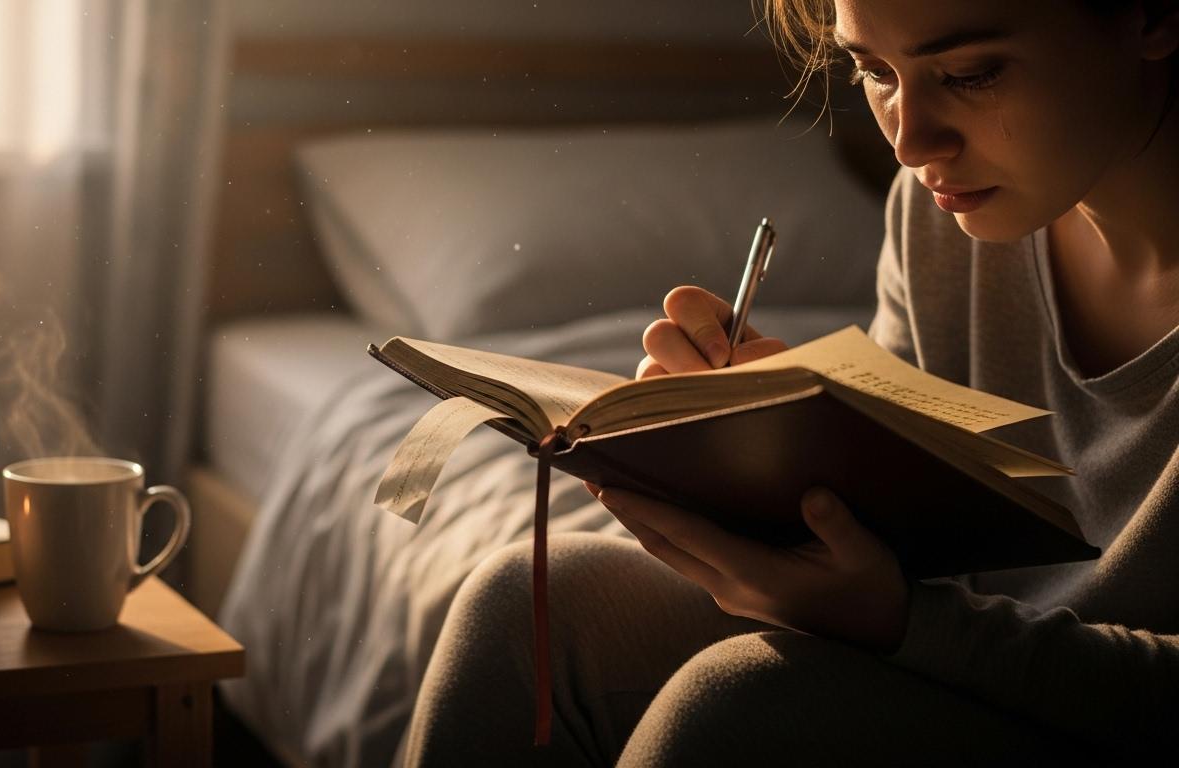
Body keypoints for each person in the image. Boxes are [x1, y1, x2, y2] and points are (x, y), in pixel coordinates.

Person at [402, 0, 1179, 764]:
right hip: (968, 656)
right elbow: (928, 522)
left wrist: (902, 622)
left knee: (741, 708)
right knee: (526, 609)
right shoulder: (941, 216)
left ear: (1151, 15)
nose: (909, 143)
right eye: (873, 71)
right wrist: (767, 455)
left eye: (969, 74)